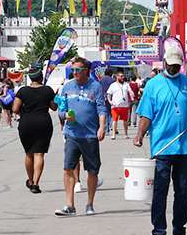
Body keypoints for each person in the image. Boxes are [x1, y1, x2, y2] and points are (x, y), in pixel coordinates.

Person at [134, 46, 187, 235]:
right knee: (160, 190)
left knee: (182, 191)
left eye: (177, 66)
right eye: (170, 65)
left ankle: (179, 230)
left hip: (185, 148)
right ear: (164, 62)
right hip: (162, 148)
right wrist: (140, 135)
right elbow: (146, 115)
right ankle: (158, 232)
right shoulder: (153, 85)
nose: (173, 68)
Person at [55, 56, 107, 215]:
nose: (74, 72)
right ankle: (70, 205)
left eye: (77, 69)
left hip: (90, 135)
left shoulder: (95, 86)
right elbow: (60, 109)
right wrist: (64, 115)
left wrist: (102, 127)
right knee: (68, 168)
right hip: (71, 134)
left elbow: (102, 109)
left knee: (92, 170)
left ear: (86, 70)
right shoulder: (67, 87)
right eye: (73, 69)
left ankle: (89, 204)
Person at [12, 65, 57, 194]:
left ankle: (30, 180)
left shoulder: (22, 91)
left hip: (27, 123)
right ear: (41, 77)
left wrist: (23, 111)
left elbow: (15, 109)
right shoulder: (48, 90)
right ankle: (36, 183)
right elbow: (54, 107)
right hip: (43, 122)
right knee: (39, 153)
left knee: (29, 153)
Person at [107, 71, 133, 140]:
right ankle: (113, 135)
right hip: (115, 106)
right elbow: (108, 94)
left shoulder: (126, 84)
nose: (122, 77)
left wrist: (131, 93)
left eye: (123, 76)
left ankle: (126, 134)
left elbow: (130, 91)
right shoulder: (113, 85)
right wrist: (110, 101)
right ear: (117, 77)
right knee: (115, 120)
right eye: (121, 76)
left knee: (125, 120)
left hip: (125, 105)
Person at [98, 69, 116, 134]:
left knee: (105, 113)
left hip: (103, 98)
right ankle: (112, 126)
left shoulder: (101, 80)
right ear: (110, 73)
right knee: (112, 113)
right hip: (112, 98)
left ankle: (106, 130)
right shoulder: (113, 80)